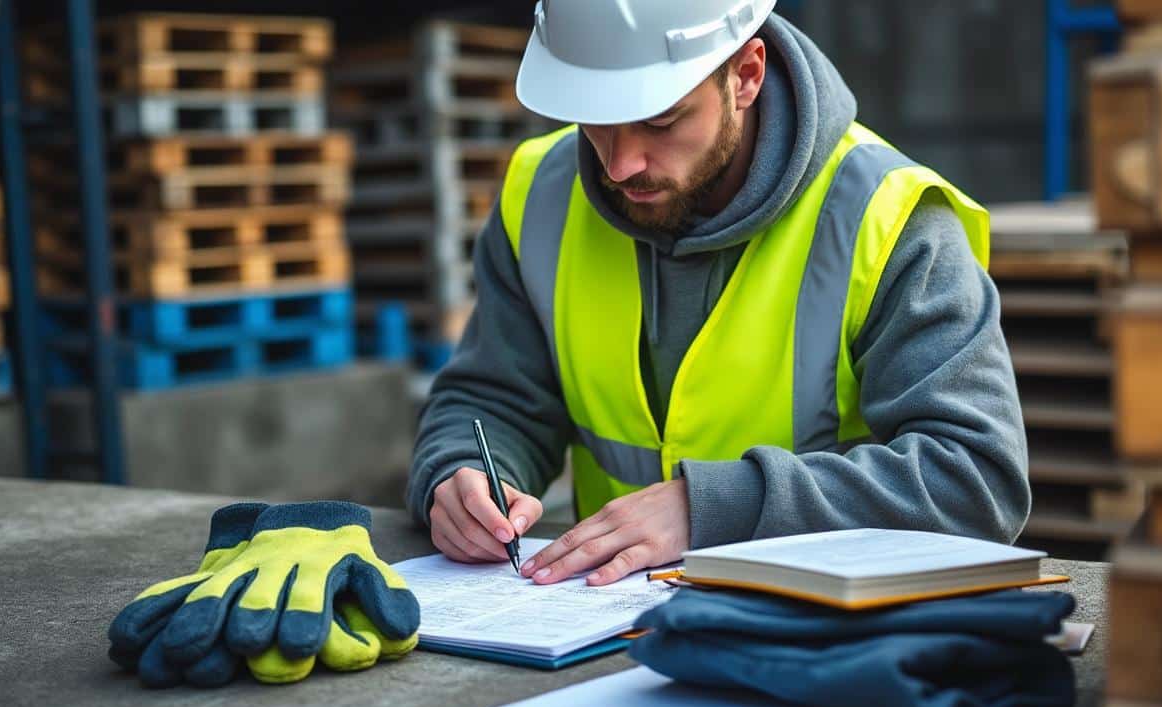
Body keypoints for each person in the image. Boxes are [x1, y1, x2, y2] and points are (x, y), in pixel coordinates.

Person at [406, 0, 1030, 586]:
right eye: (594, 121)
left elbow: (973, 480)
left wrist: (711, 509)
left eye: (660, 120)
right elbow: (495, 397)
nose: (619, 164)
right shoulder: (540, 195)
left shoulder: (888, 222)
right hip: (603, 636)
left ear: (746, 75)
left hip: (821, 645)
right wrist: (460, 475)